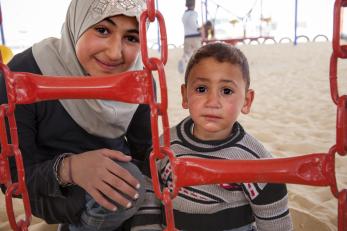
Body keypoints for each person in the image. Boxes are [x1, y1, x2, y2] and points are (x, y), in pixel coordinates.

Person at [0, 0, 152, 230]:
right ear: (78, 23)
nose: (114, 53)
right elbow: (12, 179)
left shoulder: (138, 78)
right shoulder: (22, 74)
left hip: (118, 181)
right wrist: (69, 169)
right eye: (102, 30)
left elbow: (145, 153)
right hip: (52, 187)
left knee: (140, 184)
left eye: (131, 38)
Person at [131, 42, 293, 231]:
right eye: (201, 89)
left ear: (246, 101)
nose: (212, 102)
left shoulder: (253, 159)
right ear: (185, 95)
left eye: (226, 91)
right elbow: (150, 189)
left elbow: (274, 217)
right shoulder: (168, 146)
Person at [178, 0, 202, 74]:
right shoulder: (194, 13)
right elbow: (192, 22)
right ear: (194, 5)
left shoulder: (184, 15)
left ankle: (183, 60)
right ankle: (199, 68)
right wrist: (198, 28)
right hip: (195, 36)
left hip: (187, 36)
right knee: (199, 53)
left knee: (187, 53)